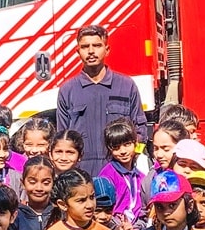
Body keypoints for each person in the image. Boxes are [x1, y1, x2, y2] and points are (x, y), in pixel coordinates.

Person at [56, 25, 148, 177]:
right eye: (85, 47)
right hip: (82, 175)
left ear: (107, 49)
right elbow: (63, 136)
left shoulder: (126, 85)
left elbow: (140, 128)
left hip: (120, 172)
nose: (91, 51)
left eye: (97, 45)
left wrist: (133, 158)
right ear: (77, 51)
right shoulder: (67, 90)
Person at [98, 118, 146, 222]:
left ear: (135, 143)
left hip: (137, 228)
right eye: (116, 147)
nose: (123, 151)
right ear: (109, 149)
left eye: (127, 144)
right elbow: (102, 211)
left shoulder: (141, 177)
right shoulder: (107, 176)